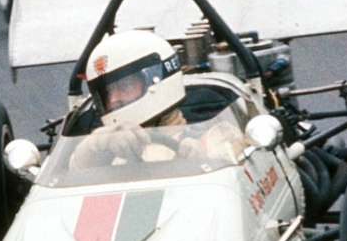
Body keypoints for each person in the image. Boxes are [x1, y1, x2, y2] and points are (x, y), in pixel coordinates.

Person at [73, 30, 246, 170]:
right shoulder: (110, 152)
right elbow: (72, 177)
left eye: (124, 87)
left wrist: (204, 162)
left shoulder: (217, 137)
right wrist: (94, 146)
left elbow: (236, 176)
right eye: (107, 94)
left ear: (156, 79)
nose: (113, 99)